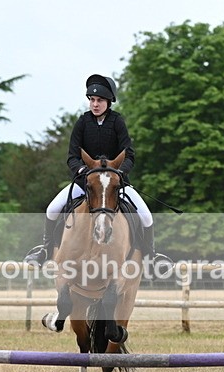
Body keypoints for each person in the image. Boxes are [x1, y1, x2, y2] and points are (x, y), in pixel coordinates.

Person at [23, 74, 173, 274]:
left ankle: (152, 257)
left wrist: (118, 173)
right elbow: (72, 157)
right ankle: (44, 249)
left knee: (146, 216)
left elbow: (129, 155)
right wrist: (83, 171)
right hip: (86, 181)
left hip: (114, 183)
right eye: (92, 100)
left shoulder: (118, 122)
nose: (95, 104)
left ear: (108, 102)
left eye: (100, 100)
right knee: (52, 209)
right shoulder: (82, 122)